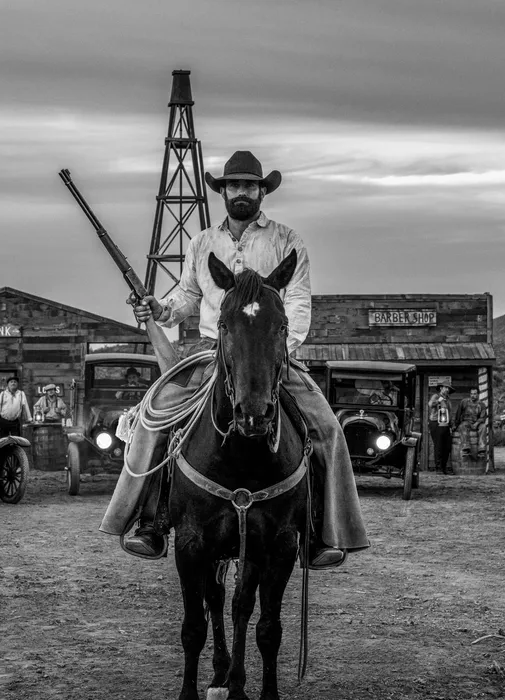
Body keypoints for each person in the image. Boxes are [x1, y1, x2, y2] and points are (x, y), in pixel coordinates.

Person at [109, 150, 368, 570]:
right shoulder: (202, 243)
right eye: (234, 185)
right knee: (154, 417)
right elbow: (187, 296)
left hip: (272, 356)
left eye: (249, 185)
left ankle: (320, 532)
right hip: (213, 353)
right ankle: (151, 522)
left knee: (328, 430)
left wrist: (279, 351)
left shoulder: (287, 241)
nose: (241, 192)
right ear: (223, 192)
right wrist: (161, 309)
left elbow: (298, 301)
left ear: (262, 192)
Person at [426, 383, 459, 474]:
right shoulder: (436, 396)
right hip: (436, 423)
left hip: (446, 424)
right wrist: (438, 401)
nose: (447, 390)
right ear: (441, 388)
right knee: (439, 445)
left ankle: (444, 467)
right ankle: (439, 468)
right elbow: (430, 404)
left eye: (448, 389)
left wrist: (452, 425)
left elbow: (450, 413)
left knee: (447, 446)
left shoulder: (448, 400)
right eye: (446, 388)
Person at [457, 390, 485, 462]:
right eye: (471, 394)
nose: (473, 395)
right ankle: (466, 448)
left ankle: (481, 449)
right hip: (467, 422)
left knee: (483, 426)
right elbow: (458, 413)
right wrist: (456, 424)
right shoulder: (464, 402)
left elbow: (483, 417)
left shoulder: (481, 404)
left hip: (477, 422)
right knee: (462, 426)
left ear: (478, 395)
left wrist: (476, 423)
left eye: (475, 394)